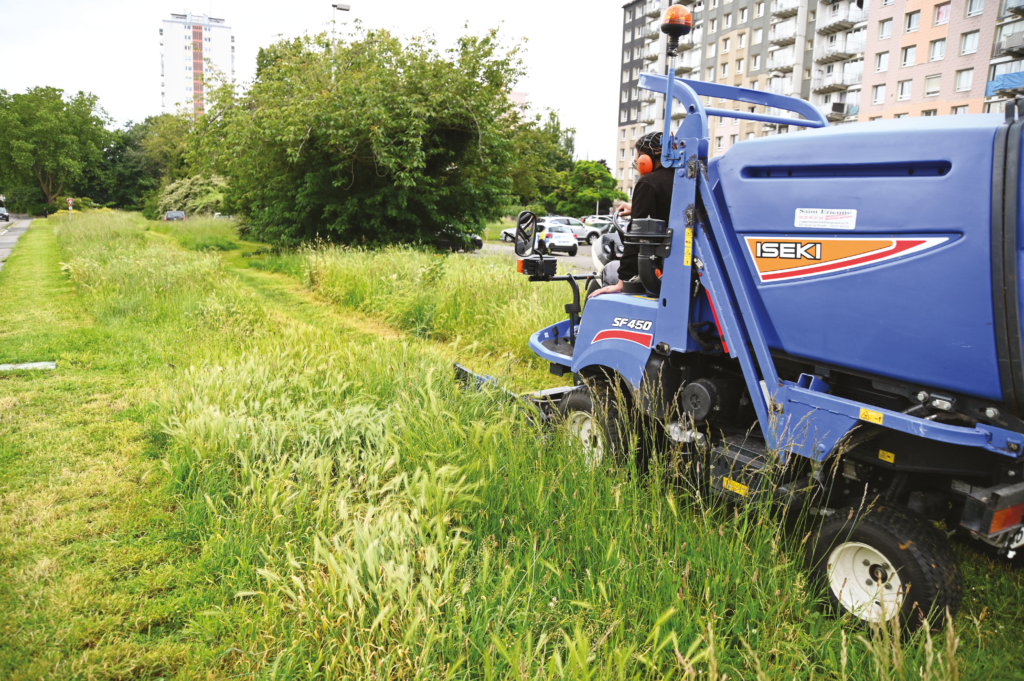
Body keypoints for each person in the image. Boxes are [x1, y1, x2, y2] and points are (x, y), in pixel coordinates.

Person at [589, 132, 674, 298]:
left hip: (659, 268)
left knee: (609, 269)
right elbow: (669, 211)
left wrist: (623, 282)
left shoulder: (648, 183)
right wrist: (637, 208)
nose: (637, 164)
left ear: (646, 159)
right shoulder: (686, 180)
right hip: (677, 266)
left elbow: (637, 238)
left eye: (638, 159)